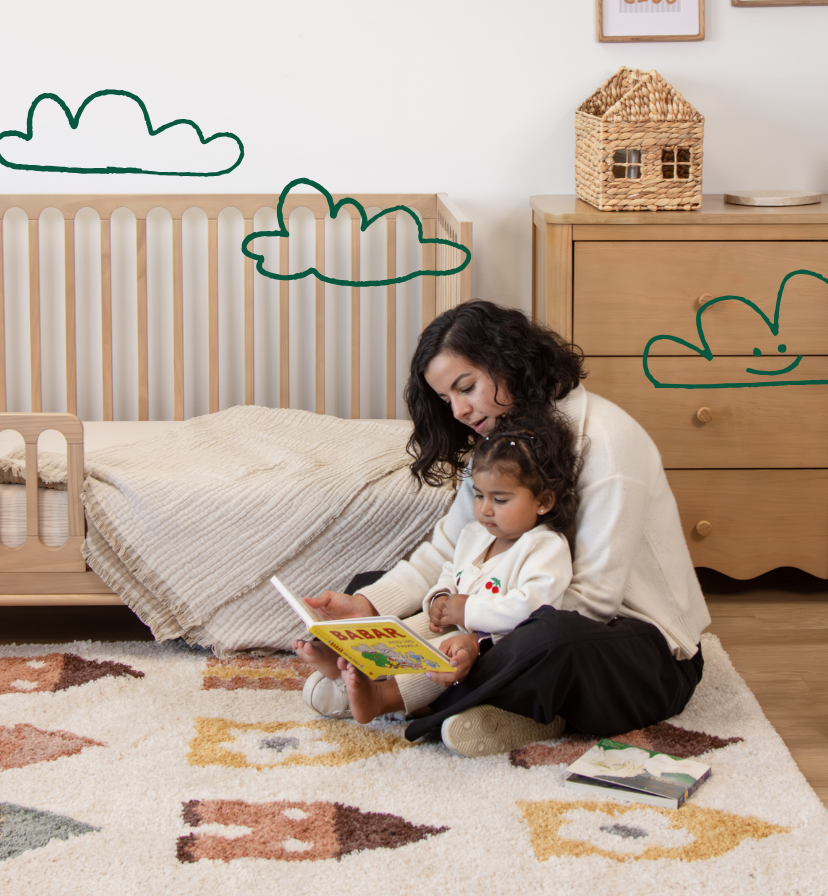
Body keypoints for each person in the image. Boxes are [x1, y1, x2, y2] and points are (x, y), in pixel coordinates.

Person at [294, 300, 710, 757]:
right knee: (375, 584)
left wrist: (475, 632)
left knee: (550, 639)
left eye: (465, 387)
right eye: (445, 399)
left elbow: (591, 602)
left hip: (629, 645)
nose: (458, 411)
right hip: (512, 607)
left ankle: (399, 691)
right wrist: (365, 605)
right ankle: (512, 710)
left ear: (509, 361)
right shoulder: (500, 444)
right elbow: (446, 552)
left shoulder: (609, 444)